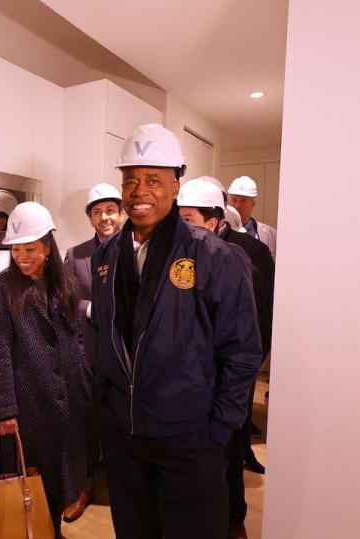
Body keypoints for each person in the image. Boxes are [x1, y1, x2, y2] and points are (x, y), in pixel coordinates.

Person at [91, 124, 263, 538]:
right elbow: (103, 334)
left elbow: (242, 352)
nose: (139, 191)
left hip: (189, 438)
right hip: (126, 437)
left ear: (175, 185)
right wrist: (106, 407)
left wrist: (218, 431)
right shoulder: (108, 255)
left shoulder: (217, 257)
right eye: (130, 180)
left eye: (153, 180)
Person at [0, 201, 92, 538]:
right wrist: (5, 408)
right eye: (16, 249)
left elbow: (76, 340)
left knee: (63, 479)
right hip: (31, 402)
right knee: (32, 481)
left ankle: (54, 530)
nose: (21, 257)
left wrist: (85, 384)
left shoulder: (67, 284)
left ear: (48, 247)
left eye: (29, 248)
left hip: (70, 399)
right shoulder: (4, 286)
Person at [178, 178, 274, 539]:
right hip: (188, 388)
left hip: (229, 382)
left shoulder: (248, 252)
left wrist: (240, 382)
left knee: (230, 455)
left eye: (188, 219)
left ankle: (235, 522)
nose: (183, 228)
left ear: (215, 219)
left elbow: (259, 323)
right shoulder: (176, 253)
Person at [61, 182, 125, 522]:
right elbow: (62, 297)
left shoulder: (136, 249)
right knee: (84, 422)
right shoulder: (76, 254)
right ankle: (83, 486)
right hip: (86, 353)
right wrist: (90, 309)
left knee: (120, 423)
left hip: (126, 356)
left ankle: (122, 486)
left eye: (110, 210)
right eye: (98, 212)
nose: (105, 217)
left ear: (121, 213)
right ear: (90, 218)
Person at [227, 175, 277, 259]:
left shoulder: (271, 234)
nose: (237, 205)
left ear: (253, 204)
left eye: (243, 201)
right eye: (234, 200)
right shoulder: (219, 231)